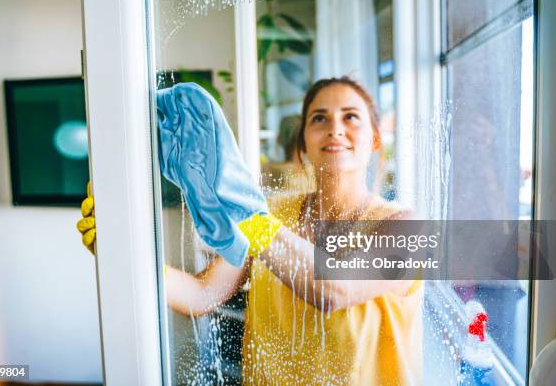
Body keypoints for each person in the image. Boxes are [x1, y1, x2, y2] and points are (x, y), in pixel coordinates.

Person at [78, 76, 422, 385]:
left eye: (351, 116)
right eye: (319, 118)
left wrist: (242, 209)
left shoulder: (404, 227)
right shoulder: (272, 212)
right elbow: (203, 294)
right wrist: (124, 256)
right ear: (303, 141)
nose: (335, 128)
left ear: (376, 138)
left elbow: (333, 290)